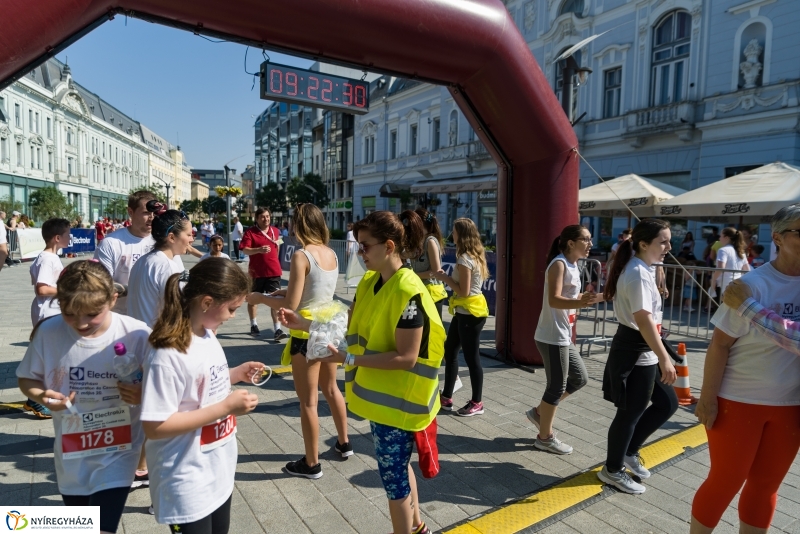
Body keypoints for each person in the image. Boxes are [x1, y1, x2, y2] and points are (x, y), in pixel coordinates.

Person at [280, 210, 443, 534]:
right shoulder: (370, 281)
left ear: (390, 246)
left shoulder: (408, 291)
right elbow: (347, 324)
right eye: (357, 245)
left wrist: (350, 360)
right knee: (398, 469)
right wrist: (307, 324)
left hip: (401, 405)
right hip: (385, 404)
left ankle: (410, 528)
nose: (359, 253)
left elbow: (407, 357)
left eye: (365, 246)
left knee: (393, 482)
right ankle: (417, 526)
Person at [17, 260, 151, 534]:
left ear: (113, 298)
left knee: (102, 528)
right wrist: (42, 395)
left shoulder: (137, 334)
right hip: (72, 454)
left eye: (92, 313)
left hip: (119, 451)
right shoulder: (48, 332)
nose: (81, 323)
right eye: (69, 313)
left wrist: (143, 391)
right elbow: (26, 378)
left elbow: (165, 387)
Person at [691, 205, 800, 534]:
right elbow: (720, 345)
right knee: (726, 482)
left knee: (766, 486)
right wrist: (707, 398)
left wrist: (751, 310)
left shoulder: (745, 297)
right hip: (739, 400)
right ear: (778, 238)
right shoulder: (752, 284)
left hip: (791, 405)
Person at [140, 258, 262, 534]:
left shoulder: (206, 335)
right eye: (231, 309)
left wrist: (235, 374)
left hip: (217, 470)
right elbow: (155, 426)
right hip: (187, 479)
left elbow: (199, 385)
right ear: (207, 302)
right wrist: (226, 407)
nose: (232, 317)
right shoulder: (168, 354)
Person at [246, 204, 350, 478]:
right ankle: (344, 443)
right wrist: (284, 290)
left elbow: (290, 307)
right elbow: (317, 291)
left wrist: (259, 298)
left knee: (308, 402)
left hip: (304, 334)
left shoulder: (302, 255)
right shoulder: (330, 253)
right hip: (327, 329)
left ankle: (311, 462)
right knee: (331, 389)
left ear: (299, 225)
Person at [598, 218, 678, 494]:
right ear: (644, 244)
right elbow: (642, 321)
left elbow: (648, 319)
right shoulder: (637, 273)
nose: (669, 246)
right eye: (663, 241)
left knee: (666, 404)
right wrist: (666, 358)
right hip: (636, 349)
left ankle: (629, 452)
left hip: (645, 347)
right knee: (629, 413)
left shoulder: (643, 268)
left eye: (669, 240)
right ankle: (612, 469)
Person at [529, 225, 596, 454]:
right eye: (585, 239)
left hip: (563, 335)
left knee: (579, 378)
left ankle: (540, 412)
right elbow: (555, 300)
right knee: (556, 387)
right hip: (552, 335)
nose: (590, 244)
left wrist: (592, 297)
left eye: (590, 239)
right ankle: (544, 437)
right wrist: (580, 302)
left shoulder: (573, 265)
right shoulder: (558, 264)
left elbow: (570, 296)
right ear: (570, 243)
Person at [433, 218, 490, 417]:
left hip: (470, 313)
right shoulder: (474, 255)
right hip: (464, 312)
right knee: (450, 350)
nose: (452, 234)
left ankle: (477, 402)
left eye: (454, 231)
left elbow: (464, 292)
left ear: (462, 234)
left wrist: (444, 278)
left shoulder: (465, 259)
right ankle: (446, 397)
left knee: (471, 358)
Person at [21, 218, 72, 419]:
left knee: (47, 353)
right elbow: (42, 288)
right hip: (47, 312)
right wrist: (67, 290)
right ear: (57, 238)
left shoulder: (50, 257)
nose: (71, 238)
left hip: (49, 310)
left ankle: (35, 398)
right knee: (48, 355)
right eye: (68, 234)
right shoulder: (47, 259)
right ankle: (36, 399)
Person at [127, 202, 194, 328]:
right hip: (156, 340)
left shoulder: (142, 261)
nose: (192, 240)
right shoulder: (166, 266)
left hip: (138, 338)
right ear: (172, 237)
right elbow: (177, 312)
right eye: (189, 235)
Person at [240, 208, 285, 340]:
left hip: (273, 271)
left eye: (267, 216)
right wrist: (258, 250)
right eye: (263, 217)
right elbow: (245, 250)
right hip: (256, 272)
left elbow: (278, 246)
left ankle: (278, 329)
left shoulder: (275, 231)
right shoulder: (250, 232)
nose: (266, 219)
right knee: (253, 299)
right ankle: (253, 324)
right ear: (257, 219)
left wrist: (276, 261)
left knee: (276, 300)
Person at [411, 208, 448, 317]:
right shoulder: (418, 240)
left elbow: (436, 272)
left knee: (432, 332)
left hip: (432, 292)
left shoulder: (430, 241)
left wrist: (413, 276)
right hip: (420, 290)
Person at [710, 227, 750, 297]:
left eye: (721, 236)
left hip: (724, 284)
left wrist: (713, 279)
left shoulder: (723, 250)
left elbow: (720, 268)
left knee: (723, 305)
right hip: (737, 283)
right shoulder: (741, 251)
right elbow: (747, 270)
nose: (719, 239)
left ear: (726, 238)